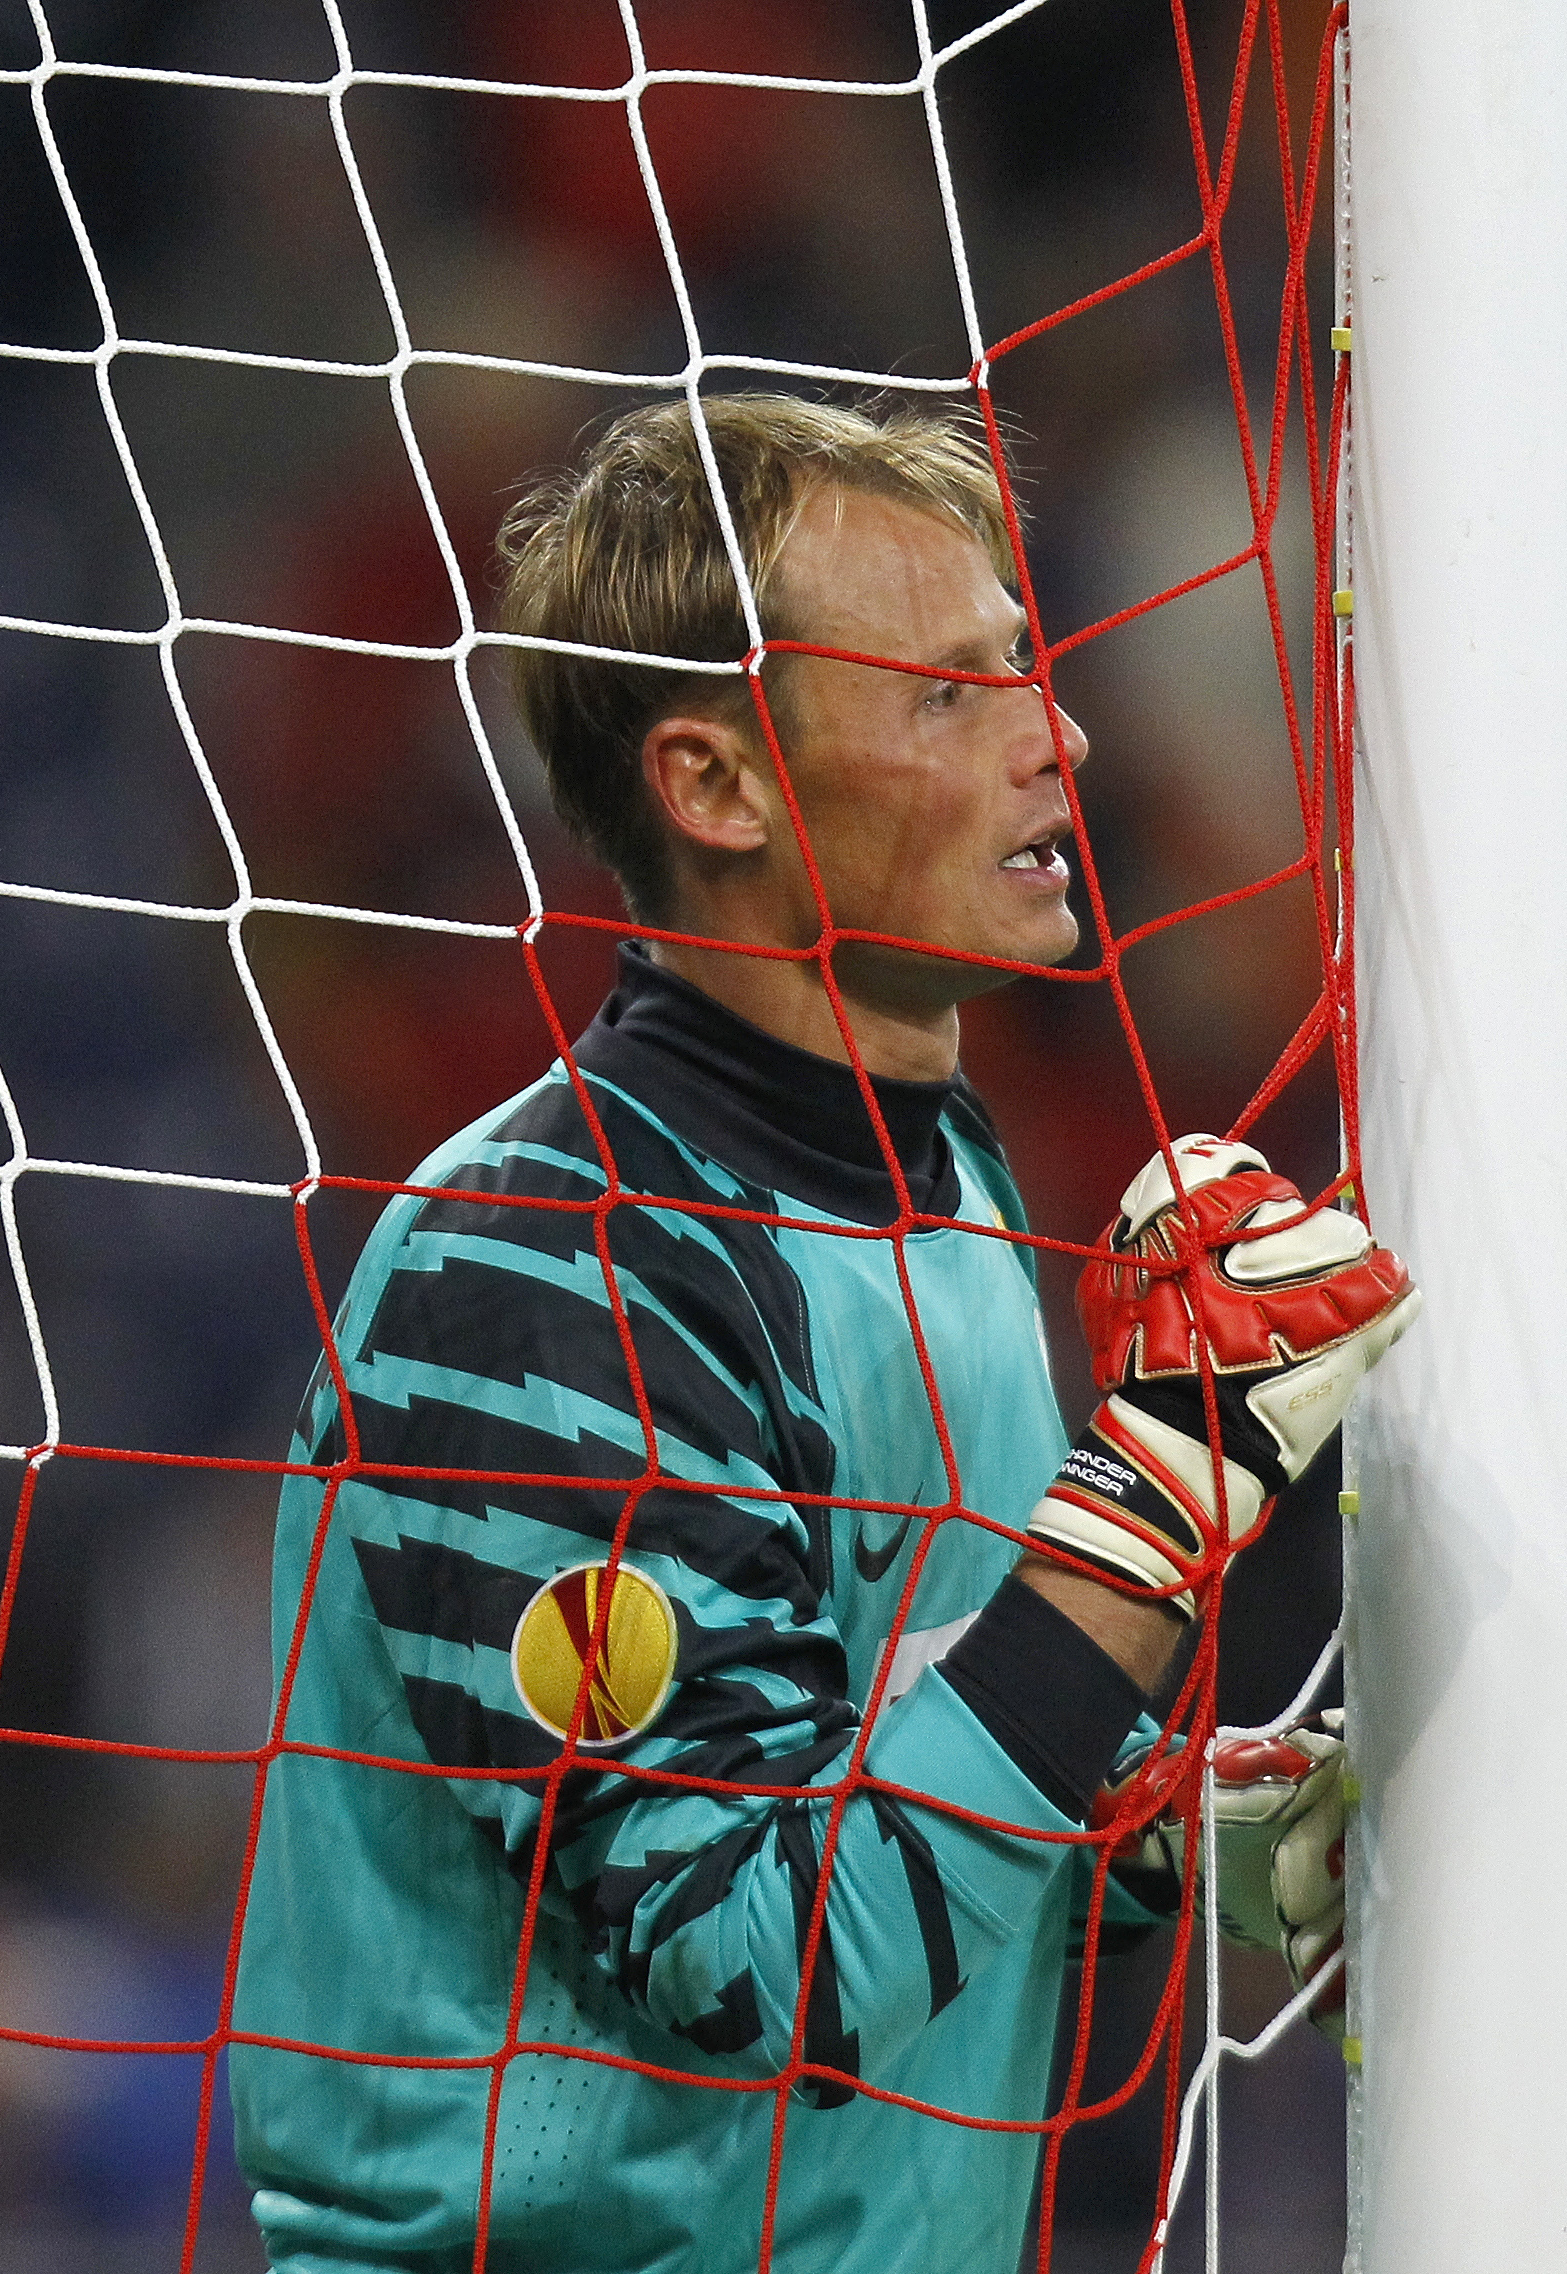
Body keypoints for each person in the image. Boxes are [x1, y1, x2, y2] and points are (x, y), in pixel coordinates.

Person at [226, 394, 1417, 2271]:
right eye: (949, 693)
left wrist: (1160, 1842)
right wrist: (1163, 1481)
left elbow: (850, 1743)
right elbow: (758, 1971)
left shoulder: (939, 1182)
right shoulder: (544, 1269)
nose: (1061, 735)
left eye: (1021, 662)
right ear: (714, 787)